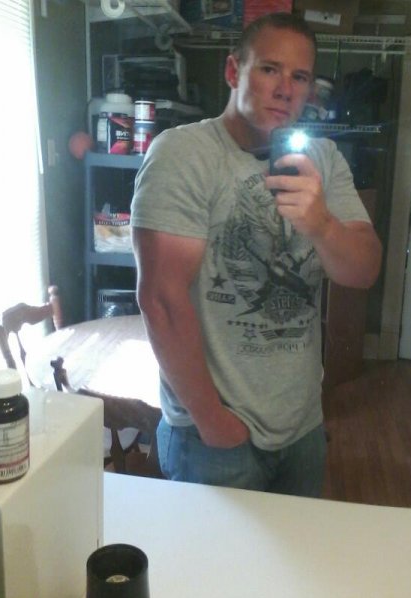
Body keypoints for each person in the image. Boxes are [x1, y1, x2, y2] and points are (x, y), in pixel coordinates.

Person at [131, 12, 382, 497]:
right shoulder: (184, 154)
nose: (285, 90)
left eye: (300, 77)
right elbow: (161, 300)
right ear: (233, 71)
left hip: (303, 424)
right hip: (215, 435)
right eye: (270, 69)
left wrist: (322, 225)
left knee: (294, 546)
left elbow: (363, 270)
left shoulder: (324, 159)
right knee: (217, 552)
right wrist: (211, 420)